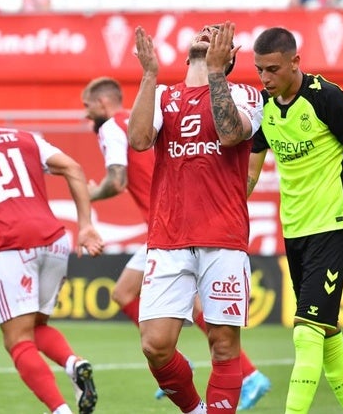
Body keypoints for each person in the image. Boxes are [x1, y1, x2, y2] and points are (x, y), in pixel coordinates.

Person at [81, 76, 271, 410]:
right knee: (134, 295)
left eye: (87, 108)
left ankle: (247, 372)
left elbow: (116, 179)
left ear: (101, 103)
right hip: (171, 228)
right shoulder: (152, 112)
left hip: (171, 227)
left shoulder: (114, 125)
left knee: (129, 295)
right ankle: (237, 371)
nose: (86, 117)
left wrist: (88, 193)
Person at [247, 27, 343, 414]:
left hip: (333, 227)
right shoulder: (263, 107)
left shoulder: (326, 98)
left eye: (272, 69)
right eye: (259, 70)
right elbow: (248, 177)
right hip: (295, 230)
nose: (265, 79)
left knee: (306, 332)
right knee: (327, 335)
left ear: (295, 62)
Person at [0, 81, 104, 414]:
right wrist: (85, 225)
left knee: (17, 339)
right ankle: (73, 364)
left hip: (12, 245)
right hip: (55, 240)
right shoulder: (25, 138)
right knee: (36, 326)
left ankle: (59, 410)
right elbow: (74, 168)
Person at [127, 22, 264, 414]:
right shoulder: (165, 96)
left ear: (232, 55)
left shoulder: (246, 94)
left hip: (222, 236)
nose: (207, 32)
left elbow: (229, 134)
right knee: (155, 344)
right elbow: (138, 141)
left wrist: (218, 74)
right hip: (168, 238)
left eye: (217, 34)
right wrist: (149, 76)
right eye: (202, 30)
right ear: (187, 50)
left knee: (223, 344)